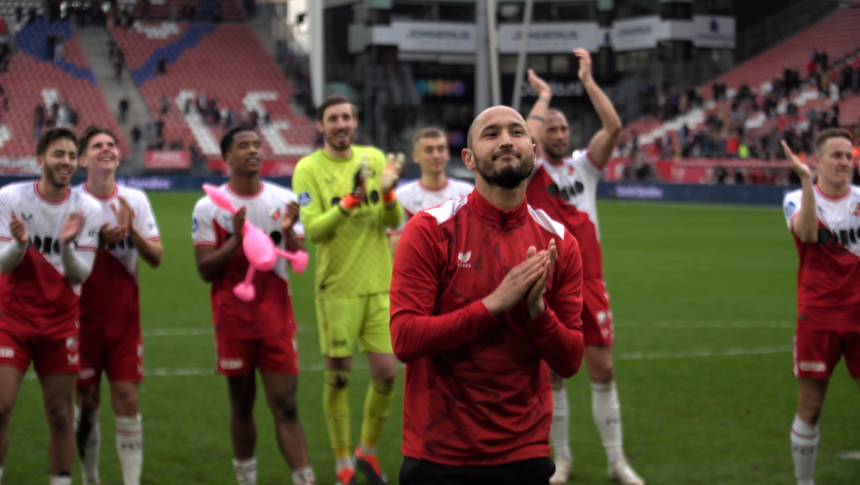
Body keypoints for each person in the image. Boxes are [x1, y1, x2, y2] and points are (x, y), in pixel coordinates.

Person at [390, 105, 585, 484]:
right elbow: (404, 339)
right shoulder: (429, 230)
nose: (506, 141)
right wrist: (494, 304)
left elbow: (570, 361)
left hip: (525, 451)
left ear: (533, 150)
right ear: (469, 158)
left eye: (516, 132)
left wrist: (537, 311)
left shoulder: (560, 243)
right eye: (491, 134)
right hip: (439, 452)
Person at [525, 49, 644, 485]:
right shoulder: (530, 171)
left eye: (563, 128)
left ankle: (616, 461)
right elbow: (526, 133)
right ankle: (562, 460)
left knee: (604, 370)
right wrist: (544, 97)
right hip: (547, 280)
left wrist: (588, 80)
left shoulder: (584, 168)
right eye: (551, 128)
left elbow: (612, 127)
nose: (558, 133)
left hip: (588, 279)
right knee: (554, 374)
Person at [192, 126, 315, 485]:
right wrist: (235, 239)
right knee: (242, 405)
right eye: (243, 145)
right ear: (227, 157)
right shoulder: (209, 206)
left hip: (276, 318)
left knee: (287, 406)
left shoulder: (282, 199)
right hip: (233, 320)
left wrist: (289, 230)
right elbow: (204, 270)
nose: (253, 151)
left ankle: (305, 479)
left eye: (257, 145)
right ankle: (246, 478)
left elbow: (299, 260)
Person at [291, 95, 403, 485]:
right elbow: (314, 231)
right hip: (337, 289)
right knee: (338, 377)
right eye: (333, 119)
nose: (341, 124)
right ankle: (342, 463)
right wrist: (352, 199)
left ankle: (366, 452)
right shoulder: (308, 169)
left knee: (387, 374)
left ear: (354, 123)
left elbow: (393, 219)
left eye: (347, 118)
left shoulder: (373, 157)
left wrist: (387, 192)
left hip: (378, 286)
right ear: (320, 125)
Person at [0, 127, 102, 485]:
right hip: (12, 321)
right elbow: (2, 265)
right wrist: (19, 244)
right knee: (1, 408)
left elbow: (80, 275)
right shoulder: (10, 198)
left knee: (60, 415)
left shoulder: (87, 208)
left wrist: (67, 246)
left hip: (60, 325)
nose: (66, 162)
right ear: (40, 160)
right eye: (59, 154)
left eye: (72, 156)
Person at [73, 125, 163, 485]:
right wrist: (95, 241)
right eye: (97, 145)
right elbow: (59, 262)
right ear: (82, 159)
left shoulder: (135, 200)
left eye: (111, 144)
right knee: (87, 403)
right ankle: (90, 478)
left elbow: (156, 258)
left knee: (127, 400)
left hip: (124, 323)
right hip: (79, 323)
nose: (106, 149)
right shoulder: (71, 201)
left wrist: (133, 231)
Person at [781, 129, 860, 485]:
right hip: (817, 318)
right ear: (817, 161)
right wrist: (805, 180)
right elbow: (808, 234)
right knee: (811, 408)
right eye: (836, 155)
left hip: (858, 317)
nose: (845, 162)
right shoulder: (796, 198)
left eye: (849, 155)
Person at [390, 127, 473, 249]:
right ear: (415, 156)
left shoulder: (468, 193)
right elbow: (395, 246)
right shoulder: (402, 197)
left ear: (447, 154)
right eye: (429, 150)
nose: (436, 155)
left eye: (440, 149)